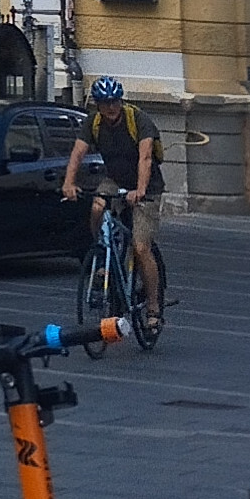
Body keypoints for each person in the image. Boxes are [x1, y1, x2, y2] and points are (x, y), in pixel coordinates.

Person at [59, 74, 164, 331]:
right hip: (115, 179)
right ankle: (104, 253)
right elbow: (78, 153)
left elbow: (146, 157)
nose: (111, 107)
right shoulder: (94, 123)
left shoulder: (137, 119)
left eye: (115, 101)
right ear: (97, 104)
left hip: (146, 185)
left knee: (140, 247)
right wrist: (68, 183)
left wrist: (139, 190)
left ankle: (153, 308)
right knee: (97, 206)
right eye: (105, 102)